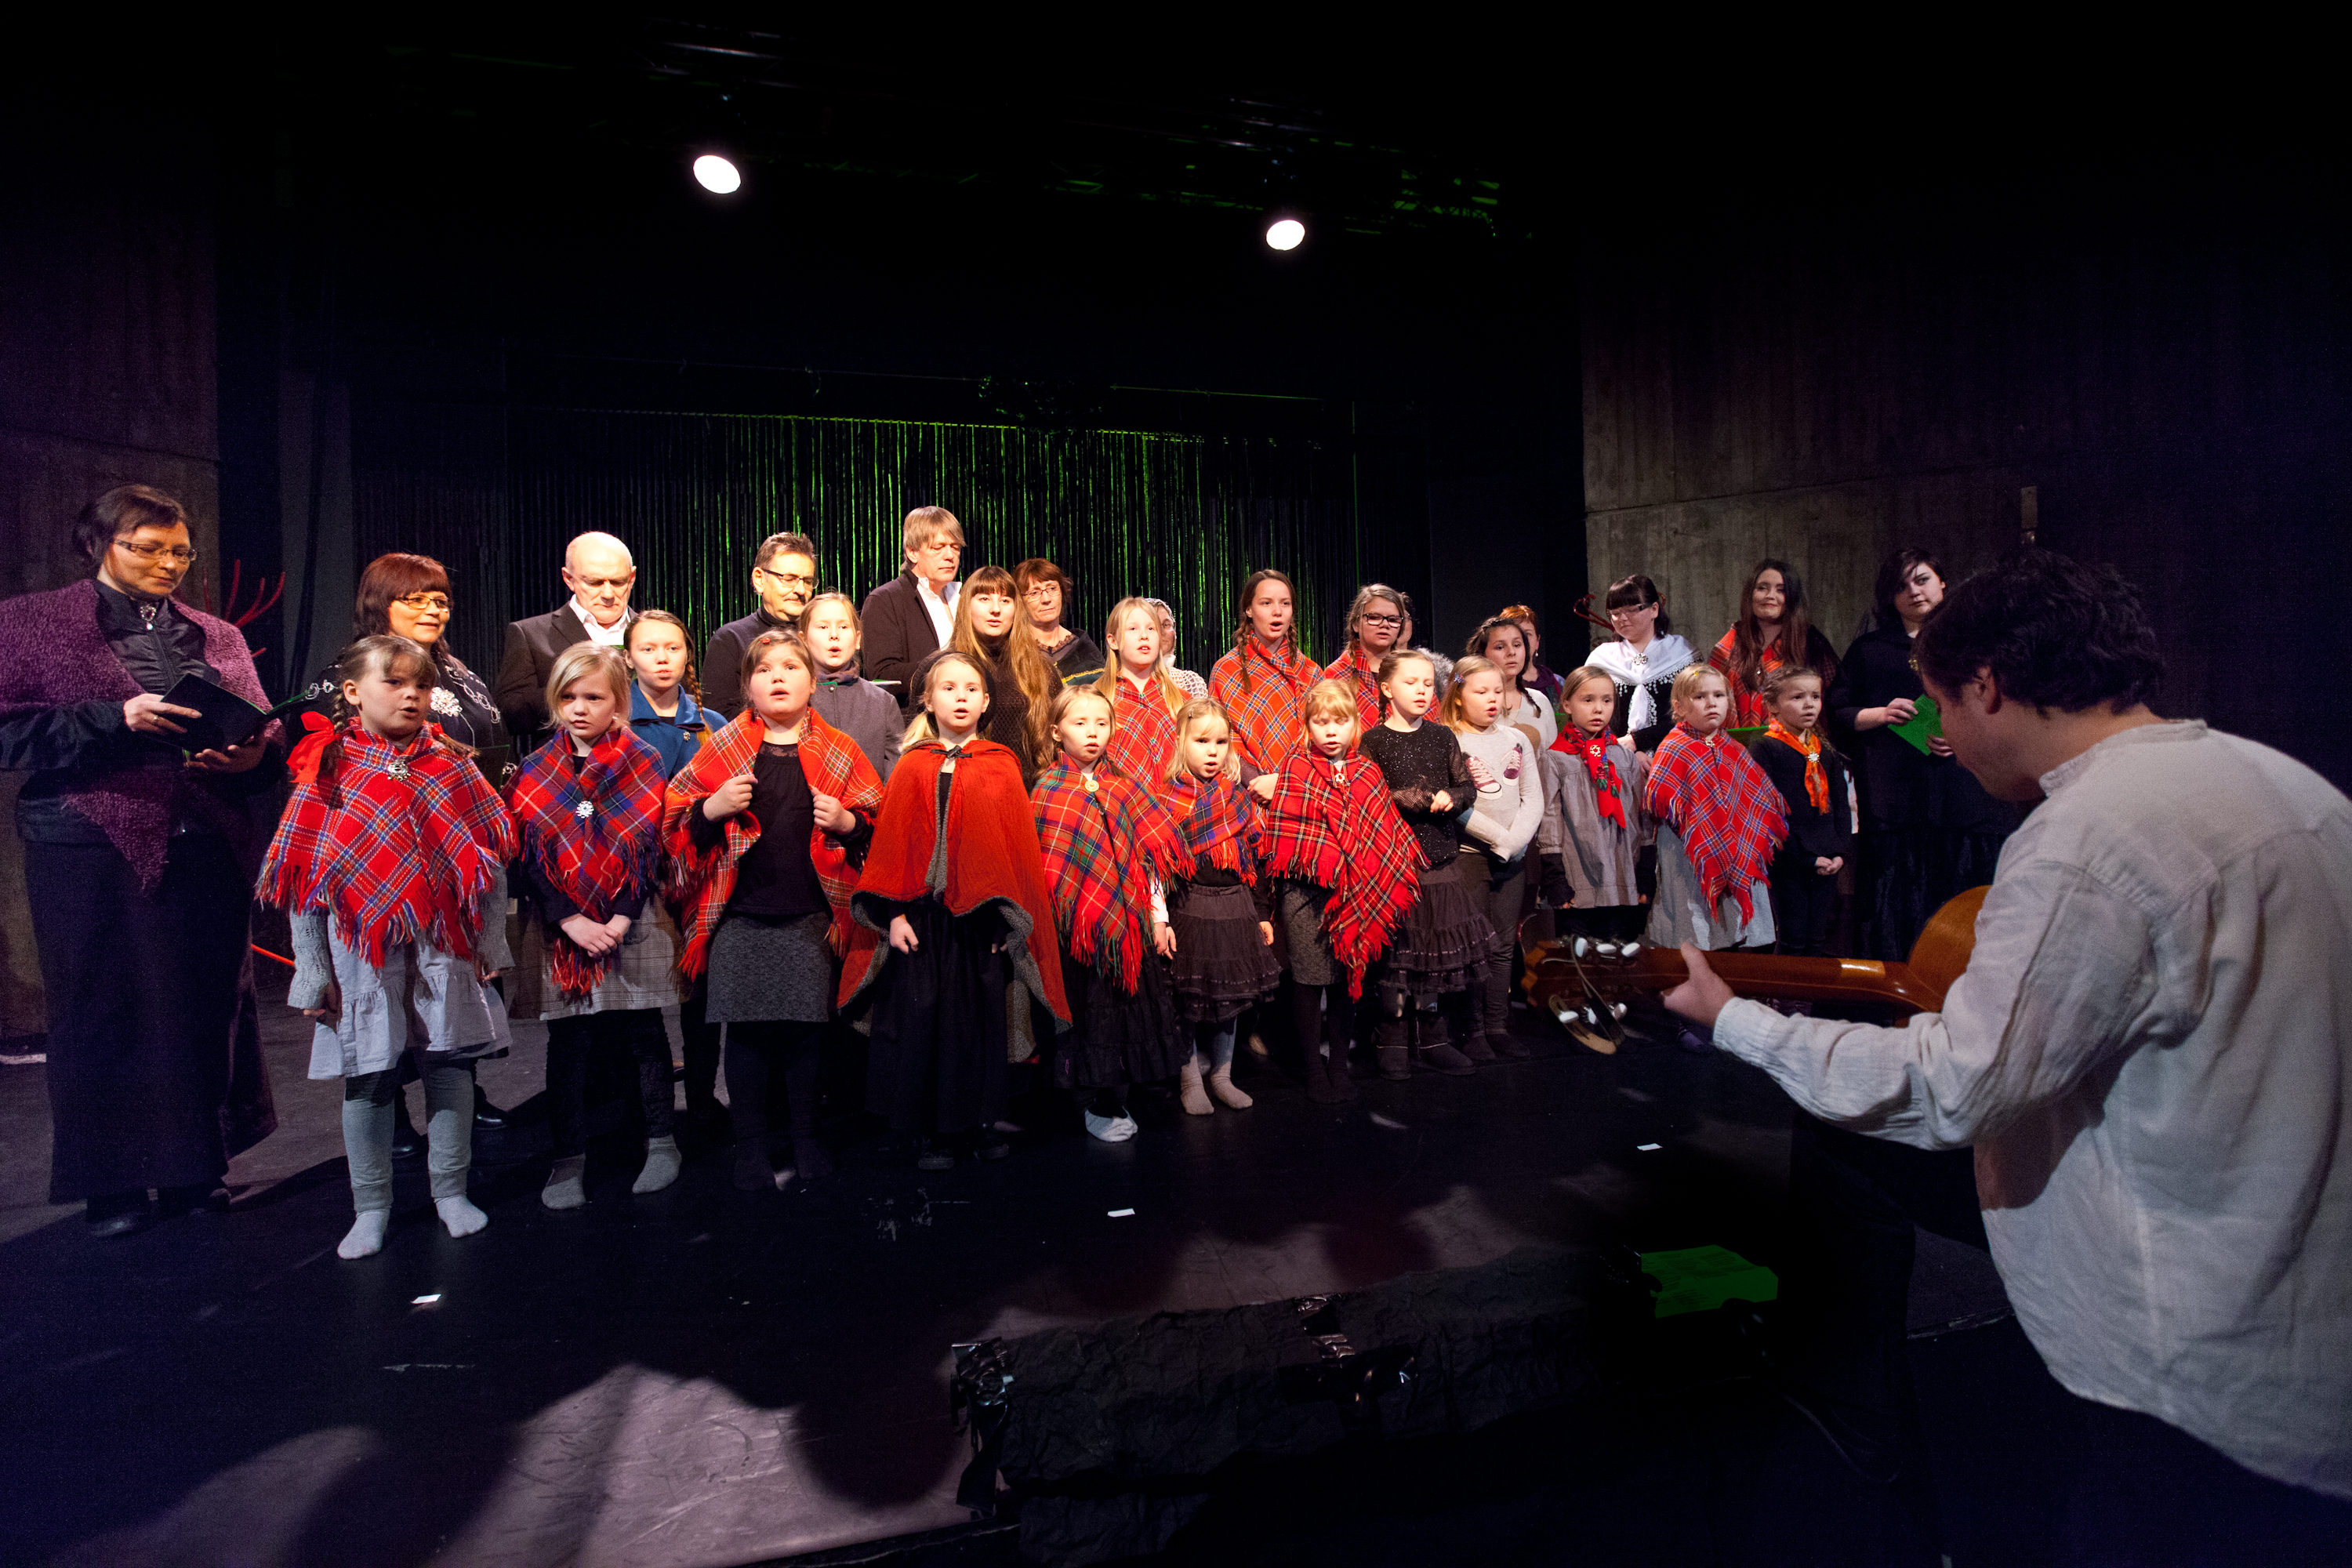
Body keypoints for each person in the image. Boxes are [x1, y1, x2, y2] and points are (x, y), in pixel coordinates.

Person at [1664, 550, 2352, 1558]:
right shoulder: (2291, 783)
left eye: (1942, 702)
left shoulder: (2083, 836)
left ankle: (1862, 1463)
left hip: (2193, 1365)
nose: (1941, 733)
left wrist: (1738, 1020)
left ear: (1986, 685)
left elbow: (1958, 1089)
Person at [0, 485, 281, 1238]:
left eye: (180, 551)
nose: (167, 563)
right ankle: (114, 1187)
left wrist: (252, 754)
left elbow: (264, 732)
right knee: (102, 1008)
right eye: (147, 548)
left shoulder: (214, 633)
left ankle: (195, 1170)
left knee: (201, 1002)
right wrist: (112, 718)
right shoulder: (31, 621)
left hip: (205, 835)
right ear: (99, 543)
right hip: (86, 839)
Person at [262, 635, 514, 1260]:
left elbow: (489, 863)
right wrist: (311, 968)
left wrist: (491, 940)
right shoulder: (328, 768)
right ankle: (371, 1207)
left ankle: (450, 1191)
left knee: (449, 1067)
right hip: (362, 951)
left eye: (422, 686)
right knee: (369, 1076)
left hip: (443, 944)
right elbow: (303, 879)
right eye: (394, 683)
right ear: (353, 692)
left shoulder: (450, 764)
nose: (411, 696)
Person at [667, 630, 884, 1192]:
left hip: (810, 914)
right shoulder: (724, 747)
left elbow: (874, 821)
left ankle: (806, 1136)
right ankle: (751, 1145)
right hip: (739, 915)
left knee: (806, 1034)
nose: (778, 677)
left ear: (813, 683)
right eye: (764, 670)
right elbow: (677, 822)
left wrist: (848, 823)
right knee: (745, 1036)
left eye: (791, 667)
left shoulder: (839, 749)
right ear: (747, 687)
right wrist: (711, 809)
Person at [840, 650, 1067, 1170]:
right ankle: (932, 1132)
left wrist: (1007, 920)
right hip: (922, 922)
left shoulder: (1001, 765)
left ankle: (979, 1123)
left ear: (986, 702)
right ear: (927, 700)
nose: (960, 697)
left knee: (977, 1024)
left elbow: (1014, 852)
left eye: (970, 689)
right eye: (948, 688)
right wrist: (894, 916)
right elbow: (893, 848)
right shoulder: (912, 766)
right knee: (923, 1022)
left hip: (978, 924)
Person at [510, 644, 681, 1210]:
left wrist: (621, 916)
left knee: (644, 1033)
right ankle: (569, 1157)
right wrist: (572, 920)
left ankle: (662, 1142)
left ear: (618, 702)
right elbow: (530, 858)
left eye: (593, 697)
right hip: (564, 928)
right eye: (568, 697)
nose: (579, 708)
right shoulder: (536, 768)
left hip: (633, 918)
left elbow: (648, 846)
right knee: (570, 1043)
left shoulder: (643, 761)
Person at [1827, 546, 2018, 960]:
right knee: (1897, 912)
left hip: (1967, 795)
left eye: (1922, 579)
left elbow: (2011, 706)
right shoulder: (1870, 649)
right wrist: (1880, 714)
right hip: (1899, 802)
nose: (1914, 592)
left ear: (1943, 581)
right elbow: (1837, 714)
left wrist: (1962, 733)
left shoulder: (1979, 643)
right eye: (1902, 586)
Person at [1031, 687, 1186, 1141]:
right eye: (1080, 723)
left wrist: (1158, 917)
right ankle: (1088, 1102)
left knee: (1124, 1015)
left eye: (1101, 723)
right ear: (1056, 731)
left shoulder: (1125, 787)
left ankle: (1115, 1097)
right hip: (1076, 935)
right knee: (1087, 1015)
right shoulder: (1046, 790)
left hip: (1128, 927)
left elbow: (1148, 860)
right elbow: (1044, 867)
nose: (1092, 733)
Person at [1259, 679, 1421, 1102]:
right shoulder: (1295, 767)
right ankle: (1313, 1068)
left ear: (1355, 725)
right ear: (1307, 726)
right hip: (1305, 891)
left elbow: (1381, 833)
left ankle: (1338, 1065)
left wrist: (1361, 869)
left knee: (1344, 979)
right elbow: (1286, 834)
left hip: (1355, 892)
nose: (1331, 731)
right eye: (1321, 722)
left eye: (1341, 722)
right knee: (1309, 981)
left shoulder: (1367, 771)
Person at [1359, 649, 1494, 1078]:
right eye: (1411, 682)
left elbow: (1467, 787)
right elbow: (1365, 797)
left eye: (1428, 683)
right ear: (1386, 689)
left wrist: (1453, 797)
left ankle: (1434, 1037)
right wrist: (1405, 798)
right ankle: (1393, 1037)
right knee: (1399, 959)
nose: (1422, 690)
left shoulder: (1441, 737)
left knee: (1435, 956)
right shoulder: (1374, 741)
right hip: (1396, 866)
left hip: (1439, 862)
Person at [1160, 699, 1281, 1113]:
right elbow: (1159, 867)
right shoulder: (1168, 799)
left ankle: (1222, 1076)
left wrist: (1262, 914)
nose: (1212, 751)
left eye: (1221, 742)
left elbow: (1256, 860)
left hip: (1235, 908)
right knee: (1190, 1000)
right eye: (1201, 741)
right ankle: (1190, 1079)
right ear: (1182, 741)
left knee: (1230, 997)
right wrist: (1162, 920)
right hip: (1190, 908)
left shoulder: (1237, 798)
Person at [303, 552, 512, 786]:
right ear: (379, 604)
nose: (433, 611)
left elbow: (501, 758)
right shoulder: (342, 678)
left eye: (441, 602)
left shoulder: (467, 680)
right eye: (417, 600)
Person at [1445, 656, 1545, 1058]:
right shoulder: (1450, 740)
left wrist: (1516, 843)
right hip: (1471, 856)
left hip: (1513, 858)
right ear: (1458, 696)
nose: (1492, 699)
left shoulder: (1515, 739)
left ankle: (1497, 1025)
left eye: (1498, 691)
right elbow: (1457, 806)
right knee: (1475, 943)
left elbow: (1532, 797)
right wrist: (1502, 840)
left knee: (1504, 944)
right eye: (1481, 691)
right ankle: (1472, 1030)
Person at [1644, 665, 1784, 952]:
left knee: (1735, 938)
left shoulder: (1733, 748)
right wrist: (1706, 835)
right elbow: (1662, 800)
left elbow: (1754, 802)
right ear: (1679, 707)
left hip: (1735, 848)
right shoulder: (1674, 747)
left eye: (1719, 695)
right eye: (1700, 697)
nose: (1712, 703)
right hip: (1690, 851)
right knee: (1698, 931)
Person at [1537, 666, 1652, 946]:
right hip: (1577, 874)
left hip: (1620, 870)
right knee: (1578, 951)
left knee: (1618, 949)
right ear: (1567, 704)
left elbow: (1640, 816)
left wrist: (1646, 867)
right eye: (1588, 700)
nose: (1598, 708)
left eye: (1606, 700)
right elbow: (1550, 819)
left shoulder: (1625, 758)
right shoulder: (1556, 758)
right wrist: (1555, 875)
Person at [494, 531, 637, 748]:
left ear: (632, 577)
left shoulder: (657, 634)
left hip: (645, 760)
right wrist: (569, 690)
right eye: (594, 582)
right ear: (568, 579)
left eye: (618, 582)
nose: (608, 594)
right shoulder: (531, 634)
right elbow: (509, 714)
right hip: (567, 763)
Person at [1749, 664, 1852, 959]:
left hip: (1827, 858)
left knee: (1817, 941)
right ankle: (1782, 990)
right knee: (1792, 940)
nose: (1809, 704)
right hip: (1789, 860)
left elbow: (1840, 805)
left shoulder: (1823, 750)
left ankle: (1810, 991)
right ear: (1772, 705)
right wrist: (1805, 858)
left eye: (1815, 696)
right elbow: (1767, 811)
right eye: (1797, 697)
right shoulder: (1765, 748)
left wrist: (1839, 852)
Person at [1208, 568, 1323, 797]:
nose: (1277, 611)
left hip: (1304, 792)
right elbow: (1220, 740)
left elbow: (1325, 739)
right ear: (1249, 609)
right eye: (1266, 603)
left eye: (1285, 603)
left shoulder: (1311, 673)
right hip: (1246, 792)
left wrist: (1284, 783)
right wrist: (1258, 783)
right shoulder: (1226, 670)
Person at [949, 564, 1056, 785]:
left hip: (1029, 793)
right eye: (985, 599)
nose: (996, 609)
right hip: (966, 789)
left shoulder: (1041, 669)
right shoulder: (944, 668)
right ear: (966, 605)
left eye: (1005, 600)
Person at [1709, 558, 1841, 732]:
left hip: (1798, 745)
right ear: (1750, 594)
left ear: (1792, 597)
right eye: (1762, 588)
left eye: (1781, 590)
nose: (1770, 596)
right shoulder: (1727, 646)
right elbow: (1709, 702)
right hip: (1738, 746)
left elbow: (1835, 705)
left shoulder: (1812, 644)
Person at [702, 531, 821, 721]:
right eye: (789, 579)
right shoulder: (731, 639)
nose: (801, 590)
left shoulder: (822, 637)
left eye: (807, 581)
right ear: (759, 579)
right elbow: (718, 718)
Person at [860, 506, 964, 713]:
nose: (950, 555)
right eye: (938, 547)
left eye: (955, 547)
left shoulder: (963, 598)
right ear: (913, 553)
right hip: (916, 723)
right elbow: (883, 675)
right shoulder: (885, 600)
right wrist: (948, 665)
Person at [1585, 572, 1695, 753]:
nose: (1623, 618)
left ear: (1654, 609)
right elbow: (1588, 717)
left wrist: (1638, 741)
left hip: (1675, 753)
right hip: (1616, 755)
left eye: (1631, 610)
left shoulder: (1682, 653)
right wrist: (1627, 753)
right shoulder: (1601, 659)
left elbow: (1694, 713)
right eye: (1615, 613)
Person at [803, 591, 902, 781]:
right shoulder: (793, 698)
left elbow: (896, 774)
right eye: (823, 627)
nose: (834, 635)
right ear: (803, 639)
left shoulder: (883, 702)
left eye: (843, 627)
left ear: (857, 640)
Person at [1095, 596, 1190, 792]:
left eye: (1151, 629)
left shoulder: (1181, 700)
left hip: (1177, 803)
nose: (1144, 636)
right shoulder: (1098, 700)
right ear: (1113, 641)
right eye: (1133, 629)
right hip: (1121, 803)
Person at [623, 610, 710, 780]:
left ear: (688, 655)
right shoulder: (612, 722)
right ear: (628, 658)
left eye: (673, 648)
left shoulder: (713, 723)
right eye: (648, 649)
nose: (662, 658)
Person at [1465, 614, 1556, 750]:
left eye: (1517, 645)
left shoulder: (1539, 701)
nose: (1511, 652)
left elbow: (1552, 756)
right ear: (1482, 654)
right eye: (1500, 647)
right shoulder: (1471, 702)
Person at [1328, 585, 1406, 731]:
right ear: (1356, 624)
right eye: (1374, 618)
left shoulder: (1414, 673)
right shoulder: (1335, 675)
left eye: (1393, 620)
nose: (1385, 624)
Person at [1014, 557, 1104, 681]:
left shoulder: (1085, 650)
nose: (1046, 599)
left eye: (1052, 588)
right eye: (1034, 593)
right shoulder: (1012, 650)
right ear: (1020, 601)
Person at [1141, 598, 1209, 699]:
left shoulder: (1189, 682)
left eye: (1166, 625)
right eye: (1153, 626)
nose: (1162, 632)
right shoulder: (1123, 679)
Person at [1499, 604, 1563, 702]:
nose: (1522, 639)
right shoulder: (1494, 683)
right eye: (1515, 633)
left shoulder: (1559, 683)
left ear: (1537, 641)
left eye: (1528, 634)